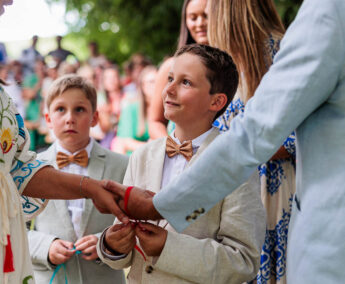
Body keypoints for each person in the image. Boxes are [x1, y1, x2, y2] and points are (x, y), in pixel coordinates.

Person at [107, 0, 345, 283]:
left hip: (328, 234)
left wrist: (161, 205)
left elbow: (254, 135)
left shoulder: (334, 12)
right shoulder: (145, 157)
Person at [97, 44, 265, 283]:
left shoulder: (235, 164)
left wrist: (169, 247)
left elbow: (243, 261)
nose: (169, 90)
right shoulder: (141, 157)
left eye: (185, 82)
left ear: (216, 102)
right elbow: (123, 249)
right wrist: (112, 245)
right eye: (170, 79)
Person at [0, 81, 127, 283]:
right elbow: (14, 227)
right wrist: (46, 246)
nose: (70, 118)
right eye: (60, 109)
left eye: (79, 109)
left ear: (95, 117)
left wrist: (106, 243)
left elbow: (132, 225)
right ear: (48, 119)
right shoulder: (31, 168)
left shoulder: (122, 165)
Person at [208, 1, 294, 283]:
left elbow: (297, 133)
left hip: (273, 186)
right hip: (246, 184)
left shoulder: (280, 51)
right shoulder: (226, 60)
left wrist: (244, 148)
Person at [148, 0, 208, 139]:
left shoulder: (234, 66)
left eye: (206, 16)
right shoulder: (171, 66)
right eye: (193, 18)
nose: (200, 23)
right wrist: (174, 150)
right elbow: (154, 121)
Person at [112, 65, 157, 154]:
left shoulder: (167, 109)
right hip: (135, 157)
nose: (155, 85)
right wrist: (152, 147)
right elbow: (124, 141)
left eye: (158, 81)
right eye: (151, 82)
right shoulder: (131, 108)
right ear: (143, 86)